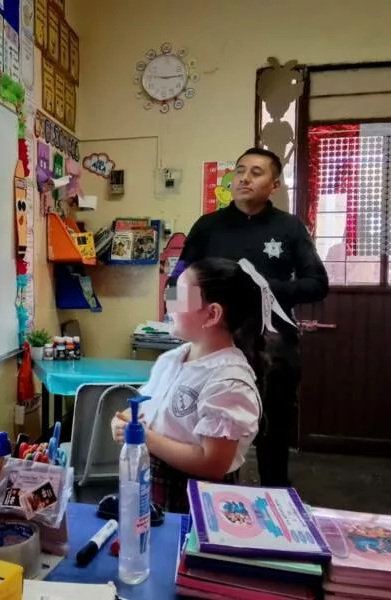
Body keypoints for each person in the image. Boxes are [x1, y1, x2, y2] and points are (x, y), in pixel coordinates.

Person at [169, 147, 329, 487]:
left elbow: (318, 284)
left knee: (273, 434)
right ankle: (206, 503)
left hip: (272, 347)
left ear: (274, 184)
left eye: (256, 172)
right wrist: (176, 323)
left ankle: (275, 501)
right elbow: (177, 278)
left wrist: (264, 289)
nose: (244, 178)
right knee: (205, 427)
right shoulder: (207, 226)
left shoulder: (289, 227)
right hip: (213, 345)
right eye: (240, 170)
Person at [111, 257, 297, 513]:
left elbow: (212, 463)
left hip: (194, 500)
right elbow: (148, 408)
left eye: (179, 297)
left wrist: (146, 438)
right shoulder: (172, 359)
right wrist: (124, 422)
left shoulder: (228, 381)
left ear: (212, 314)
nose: (169, 304)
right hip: (150, 485)